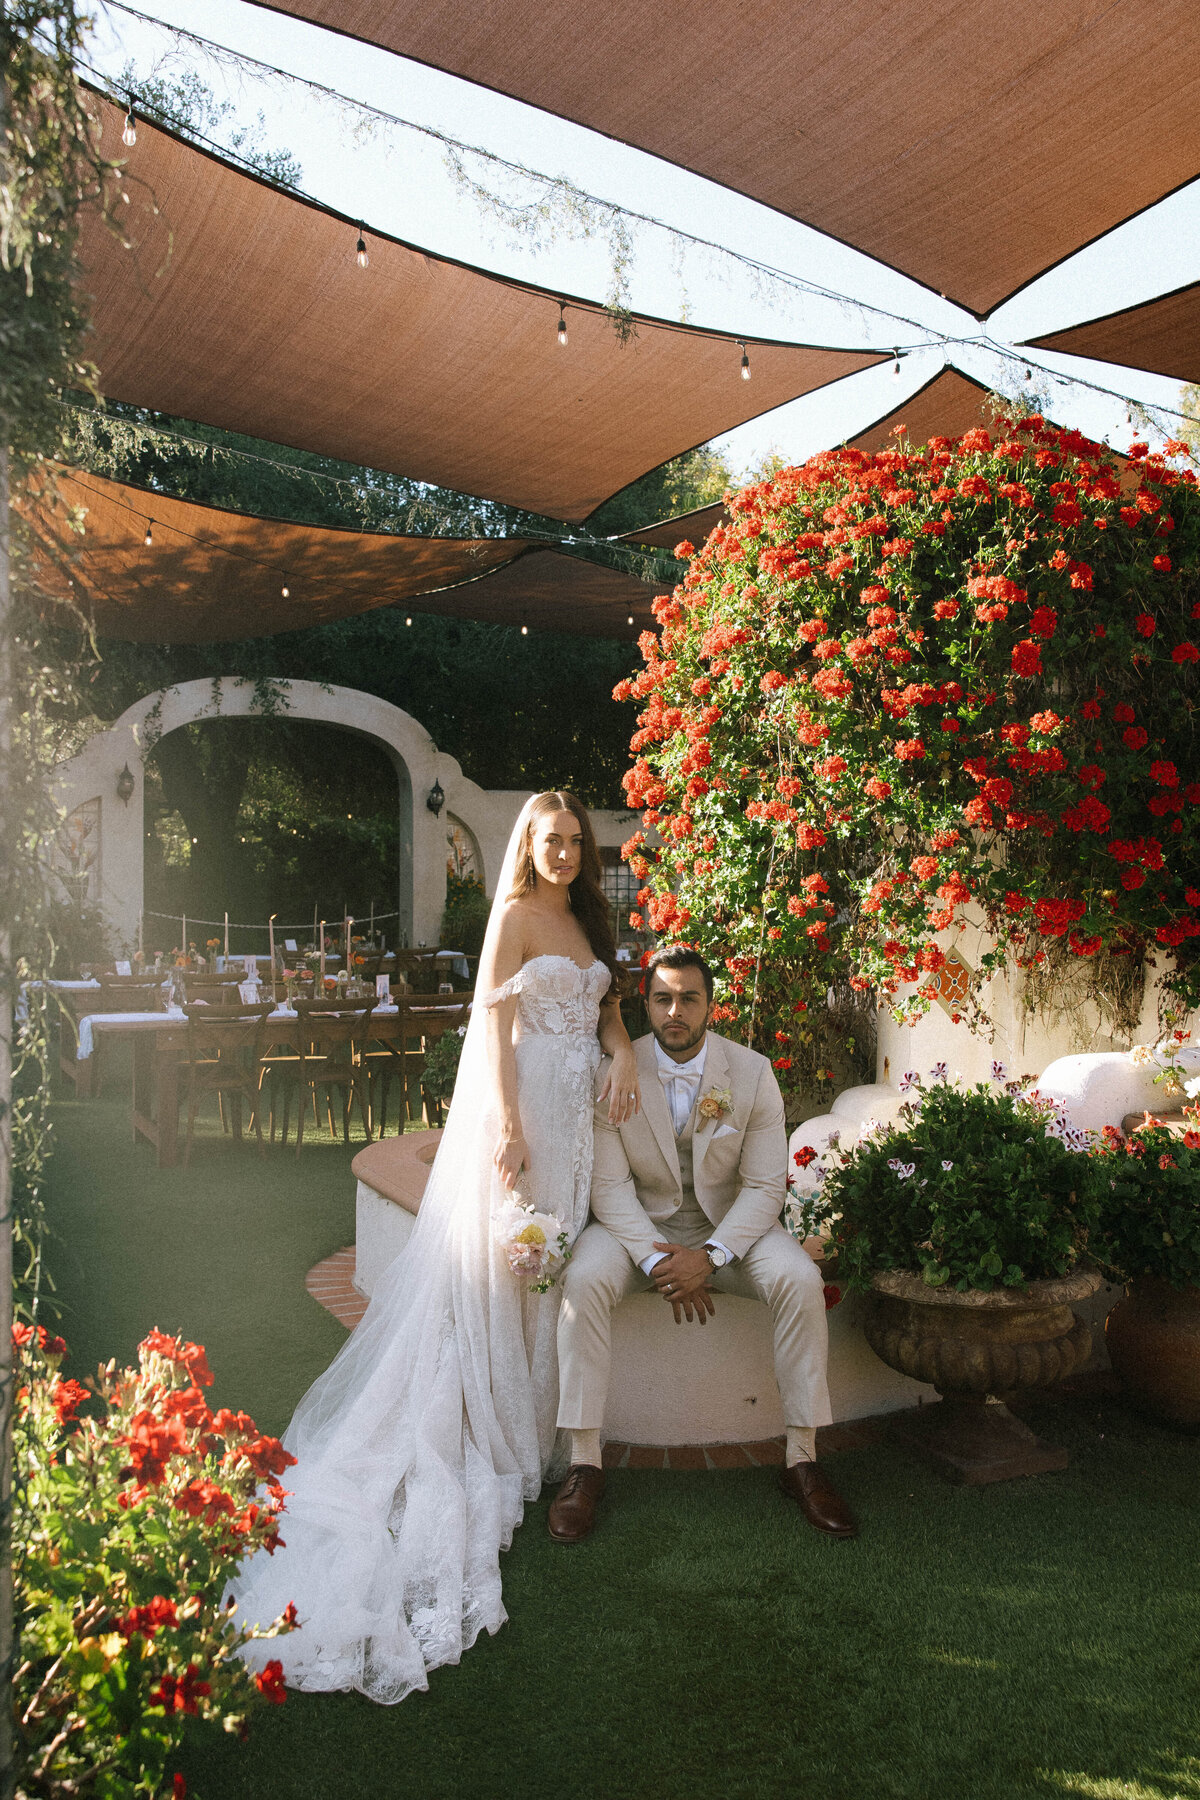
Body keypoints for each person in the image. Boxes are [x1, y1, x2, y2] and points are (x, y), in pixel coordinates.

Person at [229, 792, 641, 1703]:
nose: (567, 853)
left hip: (578, 1122)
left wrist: (628, 1054)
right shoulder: (514, 915)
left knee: (546, 1267)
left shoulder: (582, 918)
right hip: (530, 1112)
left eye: (577, 841)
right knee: (502, 1263)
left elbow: (607, 1007)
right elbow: (494, 1026)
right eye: (553, 840)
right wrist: (506, 1127)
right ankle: (475, 1419)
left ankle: (531, 1420)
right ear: (528, 845)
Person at [549, 944, 857, 1542]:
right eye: (663, 998)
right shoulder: (614, 1069)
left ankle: (803, 1459)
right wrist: (659, 1258)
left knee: (799, 1279)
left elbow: (766, 1186)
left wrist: (711, 1257)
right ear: (647, 1004)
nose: (675, 1011)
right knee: (582, 1281)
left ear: (711, 1004)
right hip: (637, 1231)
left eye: (689, 998)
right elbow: (609, 1188)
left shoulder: (752, 1071)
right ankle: (584, 1463)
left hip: (729, 1232)